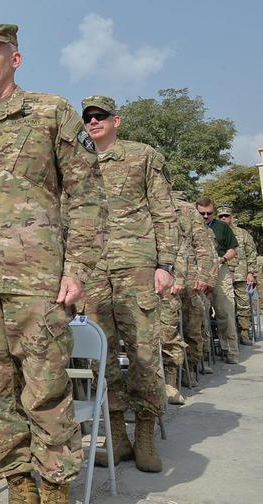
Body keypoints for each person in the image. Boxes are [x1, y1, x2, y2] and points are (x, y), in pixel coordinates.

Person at [0, 24, 105, 503]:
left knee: (46, 389)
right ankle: (19, 482)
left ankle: (55, 485)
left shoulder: (51, 112)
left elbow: (86, 196)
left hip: (38, 280)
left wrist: (78, 268)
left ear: (16, 58)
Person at [79, 95, 178, 472]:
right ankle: (117, 434)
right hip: (92, 269)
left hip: (136, 265)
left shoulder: (142, 156)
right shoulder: (78, 160)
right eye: (87, 117)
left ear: (116, 121)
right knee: (99, 354)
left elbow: (164, 211)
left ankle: (146, 434)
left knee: (142, 353)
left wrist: (165, 264)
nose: (92, 122)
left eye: (100, 116)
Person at [166, 192, 216, 393]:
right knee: (166, 328)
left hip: (189, 278)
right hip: (157, 279)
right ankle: (169, 376)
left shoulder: (186, 211)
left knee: (193, 325)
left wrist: (204, 276)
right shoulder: (141, 206)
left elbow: (203, 247)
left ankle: (191, 368)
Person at [195, 196, 240, 363]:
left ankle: (230, 351)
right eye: (202, 213)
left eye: (209, 213)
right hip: (198, 270)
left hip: (220, 268)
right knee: (200, 315)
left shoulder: (222, 226)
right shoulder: (190, 226)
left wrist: (223, 260)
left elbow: (232, 249)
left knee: (225, 311)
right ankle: (204, 354)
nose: (206, 216)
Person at [218, 206, 258, 345]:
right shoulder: (214, 232)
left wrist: (251, 273)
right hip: (222, 275)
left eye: (226, 216)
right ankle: (229, 335)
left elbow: (251, 254)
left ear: (231, 217)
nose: (223, 218)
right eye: (221, 216)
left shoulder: (242, 234)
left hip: (241, 276)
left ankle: (244, 333)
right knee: (225, 307)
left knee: (243, 305)